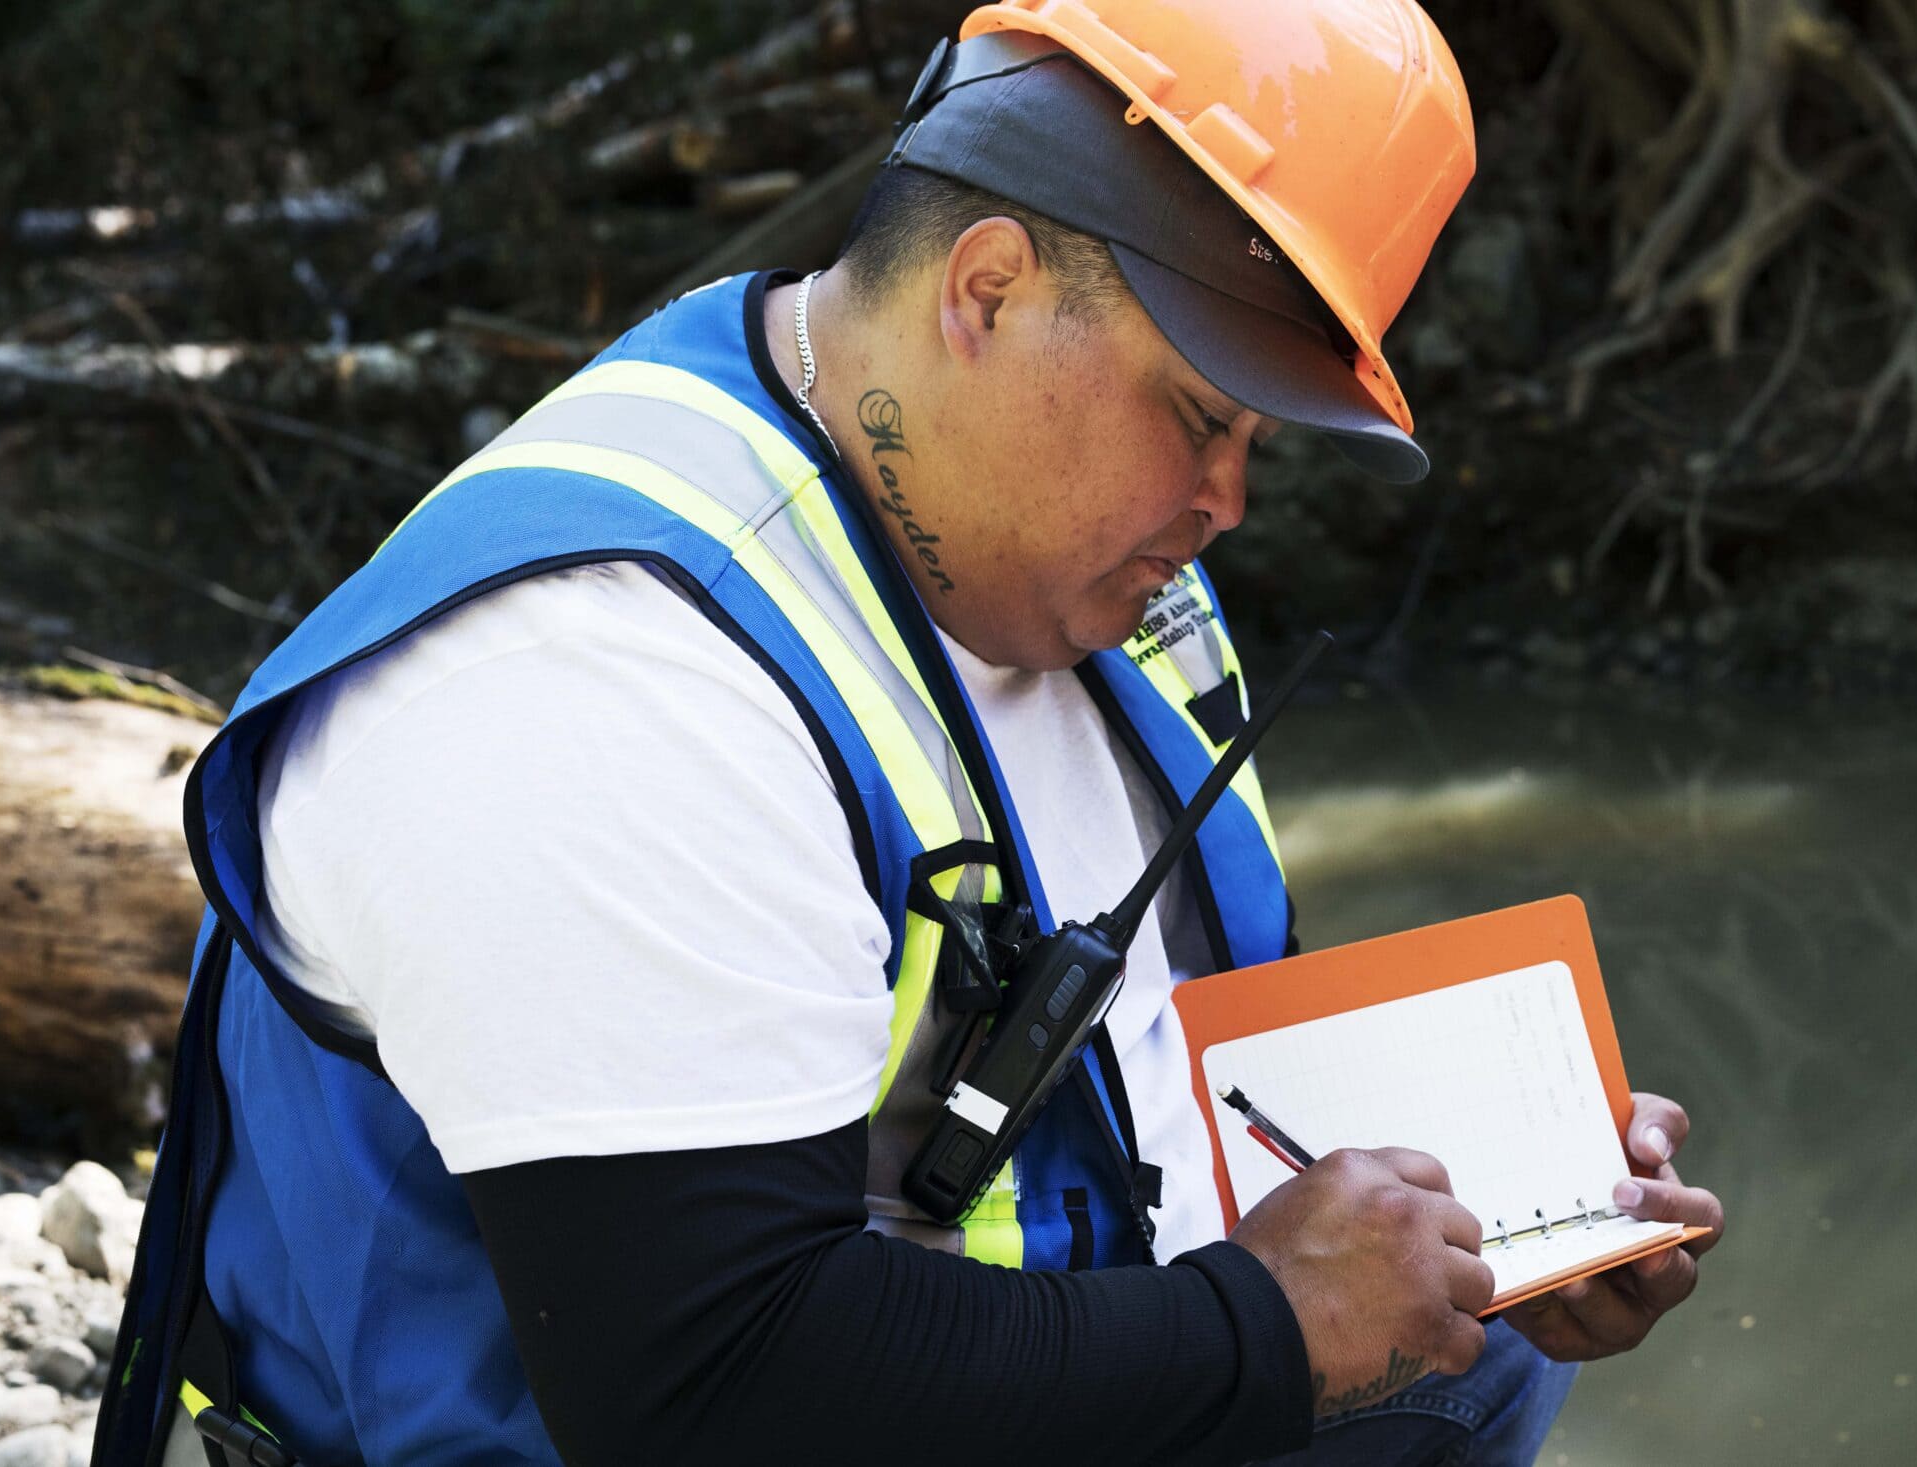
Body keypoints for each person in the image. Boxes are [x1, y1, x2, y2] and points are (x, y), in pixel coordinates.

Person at [97, 3, 1724, 1464]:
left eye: (1260, 437)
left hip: (1020, 1378)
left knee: (1467, 1363)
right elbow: (701, 1391)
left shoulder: (1081, 565)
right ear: (991, 289)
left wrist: (1493, 1209)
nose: (1229, 502)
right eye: (1201, 412)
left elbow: (1181, 1061)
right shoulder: (592, 686)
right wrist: (1281, 1330)